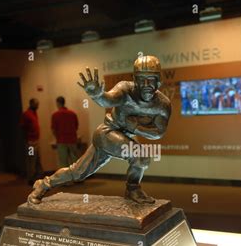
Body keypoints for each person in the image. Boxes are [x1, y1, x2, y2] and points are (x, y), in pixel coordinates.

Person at [28, 55, 171, 205]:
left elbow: (158, 132)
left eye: (151, 79)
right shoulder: (126, 90)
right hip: (107, 133)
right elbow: (108, 100)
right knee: (141, 156)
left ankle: (43, 184)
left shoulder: (162, 105)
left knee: (78, 172)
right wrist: (96, 94)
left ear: (159, 81)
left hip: (120, 136)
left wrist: (134, 126)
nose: (147, 84)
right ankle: (132, 189)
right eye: (142, 80)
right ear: (135, 80)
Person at [51, 96, 80, 168]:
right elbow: (76, 127)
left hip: (61, 140)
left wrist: (57, 137)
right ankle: (76, 178)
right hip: (72, 140)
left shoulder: (55, 115)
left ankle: (65, 179)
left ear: (58, 103)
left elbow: (53, 129)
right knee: (74, 161)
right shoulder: (73, 114)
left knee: (63, 162)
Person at [20, 98, 43, 185]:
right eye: (36, 104)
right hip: (30, 142)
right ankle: (30, 179)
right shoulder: (26, 114)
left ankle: (38, 177)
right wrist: (27, 139)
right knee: (31, 161)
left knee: (37, 160)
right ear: (31, 104)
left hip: (36, 140)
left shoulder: (34, 113)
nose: (38, 106)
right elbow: (22, 127)